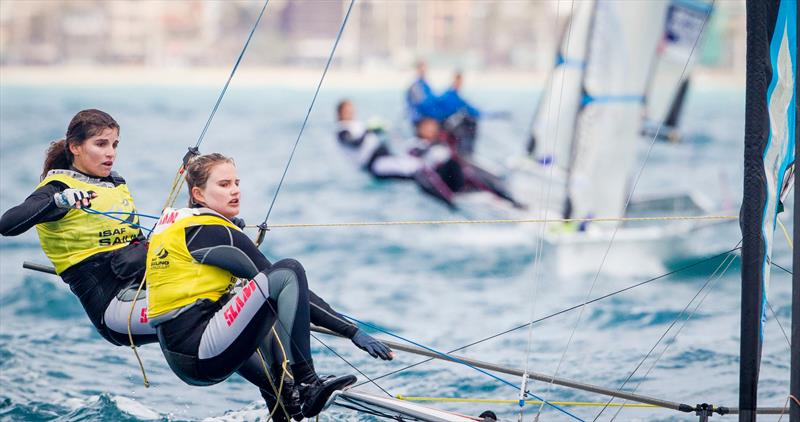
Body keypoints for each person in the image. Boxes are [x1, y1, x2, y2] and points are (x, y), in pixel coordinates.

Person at [146, 153, 385, 420]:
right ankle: (307, 383)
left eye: (236, 182)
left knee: (254, 301)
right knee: (287, 272)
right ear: (199, 194)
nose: (235, 190)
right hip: (200, 350)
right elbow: (285, 283)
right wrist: (351, 331)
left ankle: (285, 401)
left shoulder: (175, 224)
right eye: (224, 185)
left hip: (182, 352)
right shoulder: (215, 231)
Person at [0, 109, 157, 346]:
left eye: (114, 144)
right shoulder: (56, 187)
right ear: (75, 147)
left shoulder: (115, 184)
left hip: (142, 284)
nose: (110, 153)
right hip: (114, 308)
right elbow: (7, 223)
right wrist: (60, 201)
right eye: (101, 144)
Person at [410, 118, 524, 210]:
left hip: (457, 177)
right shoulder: (417, 145)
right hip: (444, 181)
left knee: (472, 170)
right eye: (426, 127)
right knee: (460, 166)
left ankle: (508, 198)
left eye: (432, 126)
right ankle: (508, 198)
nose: (431, 129)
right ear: (419, 130)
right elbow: (421, 170)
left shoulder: (442, 141)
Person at [336, 99, 422, 179]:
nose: (351, 112)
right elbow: (354, 143)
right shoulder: (342, 131)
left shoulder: (355, 125)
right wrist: (368, 130)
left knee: (415, 164)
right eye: (347, 110)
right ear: (340, 113)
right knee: (413, 171)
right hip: (376, 163)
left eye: (352, 109)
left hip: (383, 157)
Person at [437, 72, 481, 156]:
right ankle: (464, 152)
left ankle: (465, 151)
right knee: (469, 124)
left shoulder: (454, 95)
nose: (459, 84)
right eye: (457, 81)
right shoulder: (449, 95)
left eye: (460, 82)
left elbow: (469, 108)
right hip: (444, 124)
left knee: (469, 121)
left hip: (448, 123)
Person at [405, 60, 442, 126]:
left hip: (426, 117)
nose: (423, 70)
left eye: (425, 68)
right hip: (420, 120)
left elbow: (432, 100)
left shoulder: (425, 84)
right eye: (421, 68)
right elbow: (423, 104)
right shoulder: (416, 86)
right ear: (417, 69)